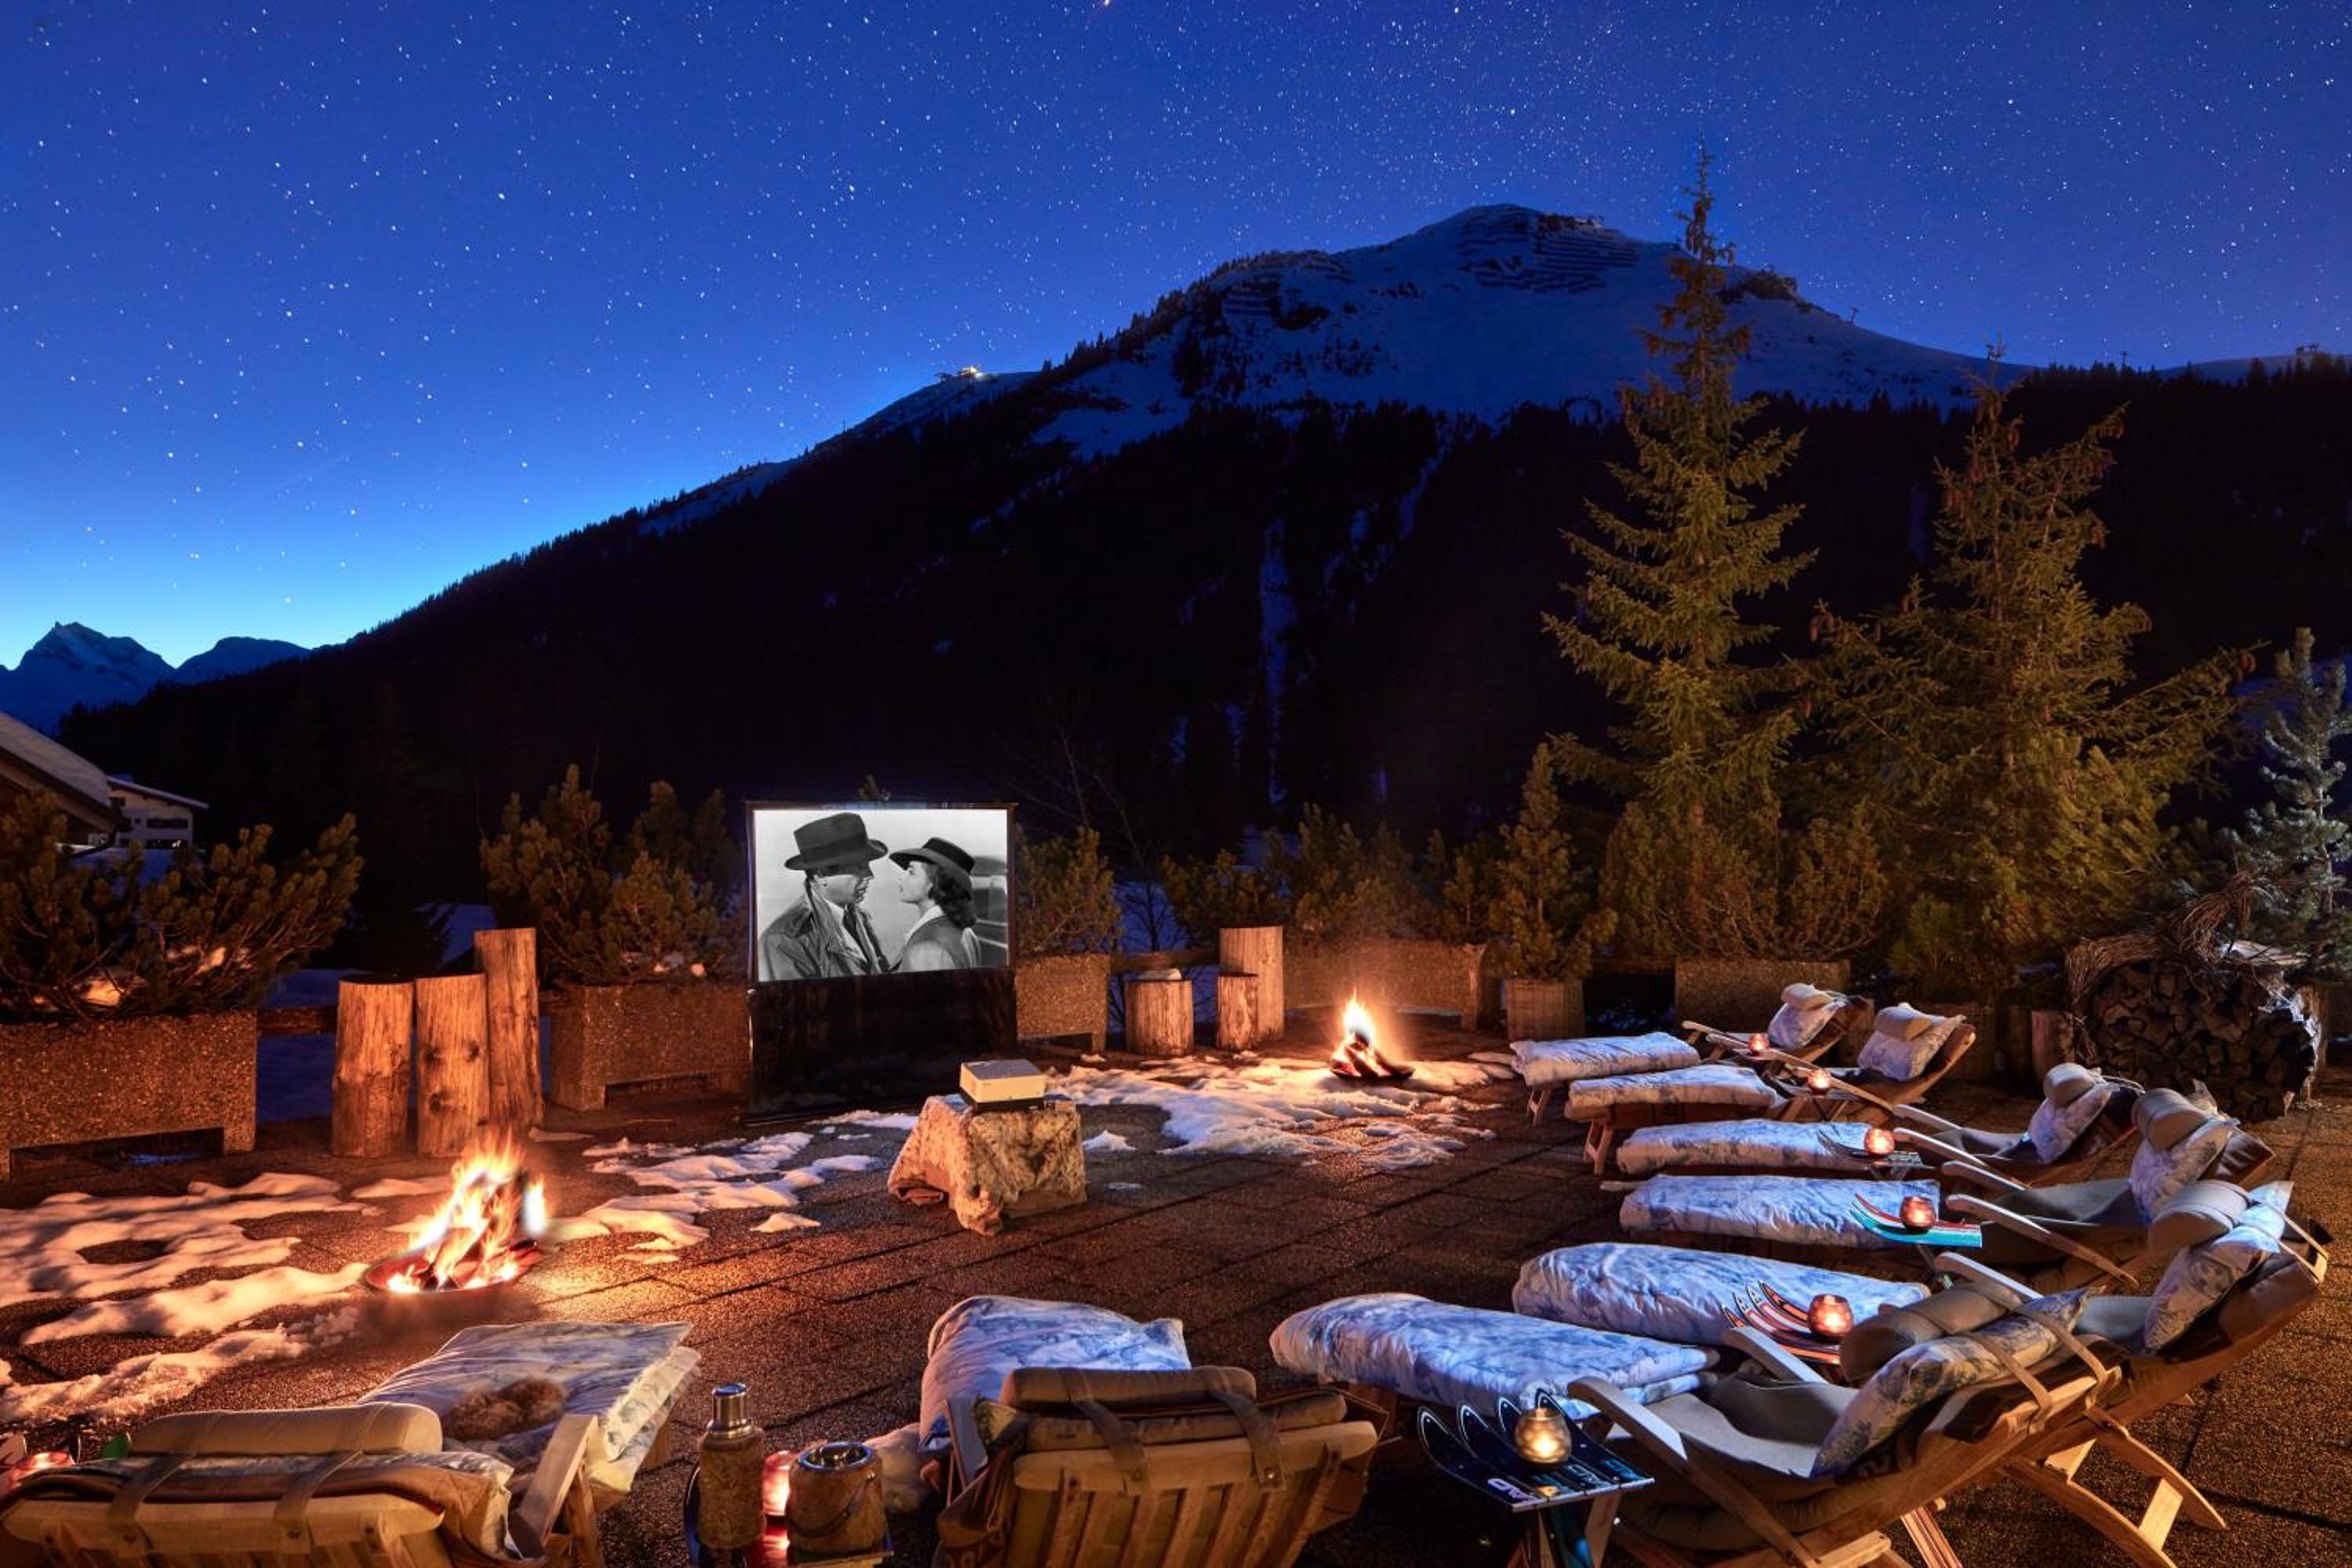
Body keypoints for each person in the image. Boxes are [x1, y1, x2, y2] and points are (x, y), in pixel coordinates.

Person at [758, 811, 891, 980]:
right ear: (821, 875)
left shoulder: (857, 917)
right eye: (859, 867)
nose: (870, 875)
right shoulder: (784, 941)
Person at [887, 837, 983, 972]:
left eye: (911, 872)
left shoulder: (928, 949)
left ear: (936, 882)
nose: (901, 878)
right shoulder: (967, 933)